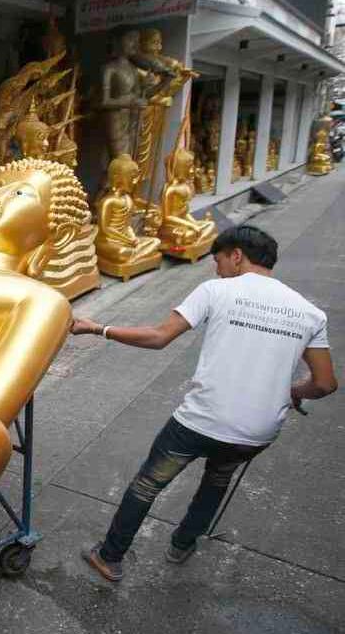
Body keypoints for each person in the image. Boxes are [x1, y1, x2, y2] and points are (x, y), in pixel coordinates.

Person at [71, 226, 336, 581]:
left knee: (148, 485)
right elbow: (325, 383)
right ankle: (181, 545)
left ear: (236, 255)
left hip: (199, 422)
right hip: (255, 433)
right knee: (216, 481)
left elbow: (158, 337)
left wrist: (97, 328)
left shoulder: (217, 291)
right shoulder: (309, 314)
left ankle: (110, 557)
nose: (216, 269)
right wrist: (294, 392)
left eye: (219, 260)